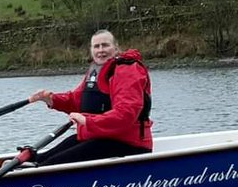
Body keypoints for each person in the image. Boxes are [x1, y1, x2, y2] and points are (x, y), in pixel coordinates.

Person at [27, 29, 153, 165]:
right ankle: (31, 165)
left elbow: (126, 113)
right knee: (44, 157)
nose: (100, 50)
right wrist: (51, 99)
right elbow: (77, 101)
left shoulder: (127, 70)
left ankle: (35, 177)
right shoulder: (96, 71)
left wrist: (88, 121)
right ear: (91, 50)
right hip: (100, 137)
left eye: (105, 45)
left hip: (128, 143)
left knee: (52, 164)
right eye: (96, 46)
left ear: (116, 48)